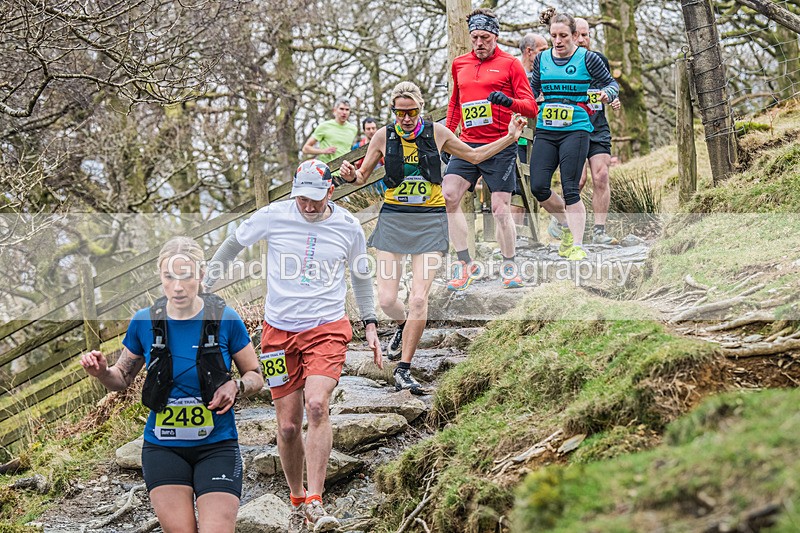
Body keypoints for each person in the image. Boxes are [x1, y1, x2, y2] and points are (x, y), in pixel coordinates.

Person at [205, 160, 382, 532]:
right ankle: (297, 497)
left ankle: (316, 500)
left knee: (316, 405)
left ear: (331, 191)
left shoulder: (348, 226)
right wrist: (205, 286)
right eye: (302, 198)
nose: (309, 206)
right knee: (287, 426)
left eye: (316, 199)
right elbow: (233, 242)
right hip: (277, 335)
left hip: (327, 328)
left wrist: (369, 323)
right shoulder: (274, 215)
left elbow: (361, 276)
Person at [340, 81, 526, 394]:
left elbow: (475, 156)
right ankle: (402, 326)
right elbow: (361, 175)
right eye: (400, 113)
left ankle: (404, 369)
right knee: (386, 300)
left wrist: (509, 138)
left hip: (429, 222)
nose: (406, 118)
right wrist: (350, 176)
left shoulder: (437, 133)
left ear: (420, 109)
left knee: (417, 298)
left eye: (411, 111)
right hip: (395, 222)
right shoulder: (383, 136)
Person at [80, 236, 263, 533]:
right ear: (160, 277)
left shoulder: (225, 319)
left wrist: (236, 387)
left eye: (186, 277)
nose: (178, 286)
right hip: (163, 449)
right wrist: (101, 372)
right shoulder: (144, 322)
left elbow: (255, 374)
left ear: (201, 276)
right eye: (169, 277)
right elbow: (121, 379)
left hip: (217, 446)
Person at [444, 8, 539, 291]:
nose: (479, 43)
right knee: (449, 196)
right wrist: (448, 138)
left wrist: (508, 102)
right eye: (475, 37)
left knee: (500, 209)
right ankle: (465, 264)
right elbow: (455, 104)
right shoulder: (459, 64)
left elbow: (531, 106)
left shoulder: (510, 65)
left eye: (485, 37)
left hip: (500, 144)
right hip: (468, 144)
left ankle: (509, 266)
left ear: (495, 36)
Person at [529, 8, 619, 261]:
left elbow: (611, 83)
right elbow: (532, 89)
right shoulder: (542, 59)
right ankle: (567, 224)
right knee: (538, 186)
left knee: (572, 187)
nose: (558, 41)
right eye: (554, 35)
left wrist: (608, 94)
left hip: (578, 128)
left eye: (563, 36)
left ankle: (578, 245)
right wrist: (521, 104)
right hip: (547, 129)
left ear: (573, 35)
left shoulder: (588, 59)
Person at [556, 17, 622, 245]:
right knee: (579, 180)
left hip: (597, 126)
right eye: (579, 35)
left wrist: (613, 98)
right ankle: (563, 222)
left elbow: (610, 86)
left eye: (587, 35)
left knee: (601, 176)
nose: (583, 40)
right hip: (572, 128)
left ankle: (599, 231)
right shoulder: (561, 62)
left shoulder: (598, 60)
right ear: (571, 35)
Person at [302, 98, 358, 163]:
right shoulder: (324, 126)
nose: (344, 112)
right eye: (341, 109)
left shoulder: (353, 129)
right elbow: (305, 149)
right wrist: (323, 151)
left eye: (347, 110)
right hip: (328, 169)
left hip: (344, 170)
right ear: (335, 110)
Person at [352, 117, 386, 195]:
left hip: (383, 183)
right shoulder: (357, 147)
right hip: (366, 185)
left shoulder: (384, 144)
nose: (371, 131)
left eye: (373, 128)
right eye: (368, 129)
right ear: (364, 130)